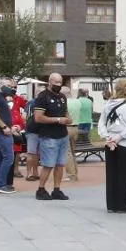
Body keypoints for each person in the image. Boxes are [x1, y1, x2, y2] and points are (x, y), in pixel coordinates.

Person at [98, 80, 126, 214]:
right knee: (125, 175)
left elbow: (101, 124)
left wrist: (108, 138)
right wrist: (119, 137)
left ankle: (111, 204)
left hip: (110, 143)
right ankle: (123, 205)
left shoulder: (108, 104)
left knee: (111, 174)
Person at [32, 73, 73, 201]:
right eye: (55, 83)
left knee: (60, 164)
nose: (58, 85)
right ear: (49, 82)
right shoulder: (42, 97)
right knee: (48, 164)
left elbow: (66, 113)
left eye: (60, 83)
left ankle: (56, 189)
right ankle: (41, 189)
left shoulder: (62, 97)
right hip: (49, 136)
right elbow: (38, 117)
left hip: (62, 135)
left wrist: (68, 119)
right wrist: (57, 120)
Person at [60, 85, 80, 182]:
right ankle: (75, 172)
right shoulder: (77, 102)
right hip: (76, 127)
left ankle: (71, 174)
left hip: (67, 128)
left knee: (67, 153)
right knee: (72, 152)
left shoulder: (64, 103)